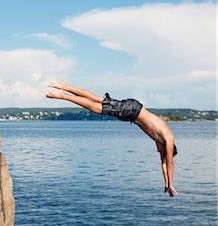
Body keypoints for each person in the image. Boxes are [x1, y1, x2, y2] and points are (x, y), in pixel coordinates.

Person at [46, 81, 178, 198]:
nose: (157, 150)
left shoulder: (160, 140)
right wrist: (172, 184)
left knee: (99, 100)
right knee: (99, 108)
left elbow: (164, 164)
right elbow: (170, 164)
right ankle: (65, 96)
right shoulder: (168, 139)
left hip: (132, 112)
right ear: (169, 150)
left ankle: (67, 87)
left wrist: (166, 184)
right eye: (160, 151)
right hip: (133, 110)